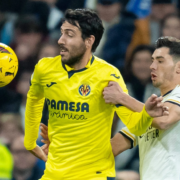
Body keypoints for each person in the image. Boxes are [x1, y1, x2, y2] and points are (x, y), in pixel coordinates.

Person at [24, 9, 168, 180]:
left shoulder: (108, 75)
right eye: (62, 33)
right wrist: (30, 142)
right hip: (53, 173)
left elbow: (134, 125)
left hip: (92, 175)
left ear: (89, 41)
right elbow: (34, 99)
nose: (60, 40)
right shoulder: (44, 68)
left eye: (69, 35)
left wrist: (146, 114)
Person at [103, 36, 180, 179]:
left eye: (160, 61)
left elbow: (164, 120)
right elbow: (111, 148)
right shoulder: (148, 114)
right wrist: (62, 148)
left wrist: (122, 97)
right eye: (153, 61)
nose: (152, 66)